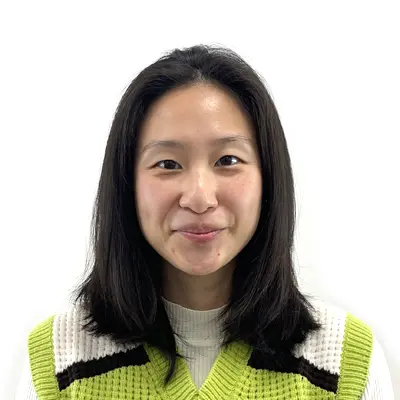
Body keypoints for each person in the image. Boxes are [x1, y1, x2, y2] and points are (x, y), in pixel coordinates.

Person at [16, 44, 394, 399]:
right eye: (168, 164)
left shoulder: (341, 362)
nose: (199, 197)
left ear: (268, 178)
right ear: (127, 184)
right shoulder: (59, 360)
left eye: (228, 160)